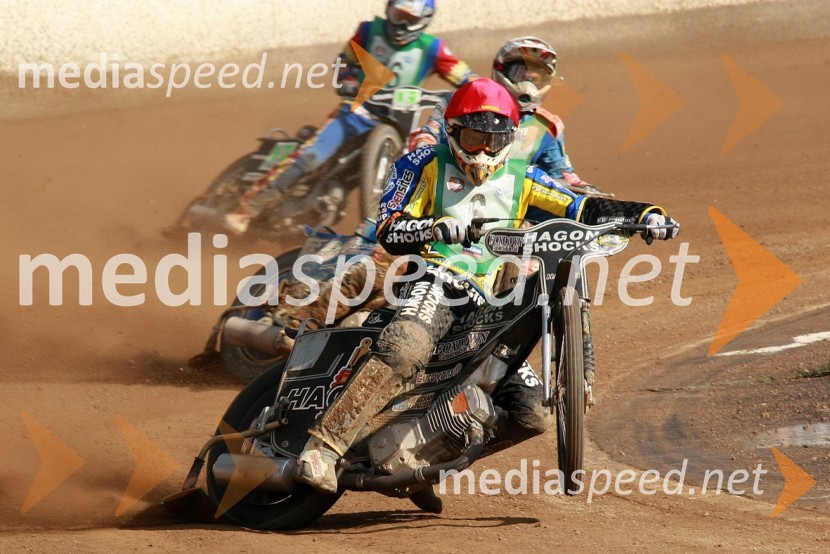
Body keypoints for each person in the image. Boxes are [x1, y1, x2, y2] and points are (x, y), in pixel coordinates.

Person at [294, 79, 679, 500]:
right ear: (453, 132)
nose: (481, 151)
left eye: (492, 140)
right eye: (473, 137)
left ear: (509, 138)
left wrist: (645, 214)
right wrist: (433, 226)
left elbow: (580, 205)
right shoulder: (424, 163)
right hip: (437, 279)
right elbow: (389, 226)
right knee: (406, 348)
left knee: (530, 413)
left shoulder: (523, 175)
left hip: (496, 300)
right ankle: (323, 447)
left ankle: (423, 464)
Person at [225, 0, 475, 234]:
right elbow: (344, 61)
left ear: (424, 21)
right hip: (357, 113)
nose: (400, 25)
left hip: (400, 124)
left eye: (409, 19)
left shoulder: (432, 48)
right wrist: (347, 79)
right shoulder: (369, 32)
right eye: (398, 16)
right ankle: (247, 207)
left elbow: (464, 76)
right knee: (312, 157)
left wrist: (480, 92)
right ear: (389, 10)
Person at [410, 36, 610, 198]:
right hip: (447, 192)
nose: (527, 84)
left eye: (536, 78)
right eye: (520, 73)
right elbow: (428, 135)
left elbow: (562, 175)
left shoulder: (547, 126)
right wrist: (425, 154)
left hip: (511, 215)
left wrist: (586, 190)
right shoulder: (461, 100)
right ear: (501, 70)